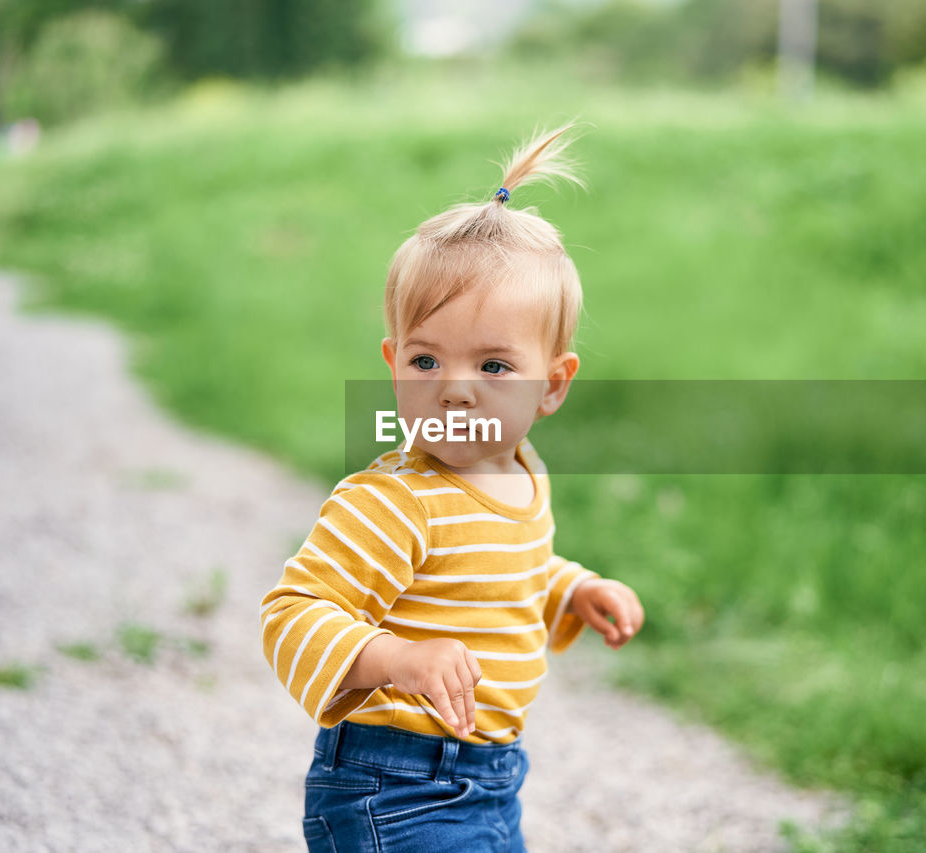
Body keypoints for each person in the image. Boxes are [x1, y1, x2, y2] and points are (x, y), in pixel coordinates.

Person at [259, 123, 646, 853]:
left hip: (494, 778)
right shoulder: (392, 501)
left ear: (552, 384)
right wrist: (396, 658)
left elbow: (502, 571)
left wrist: (570, 590)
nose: (455, 392)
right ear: (392, 361)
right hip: (393, 787)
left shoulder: (521, 472)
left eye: (494, 367)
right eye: (426, 361)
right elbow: (293, 609)